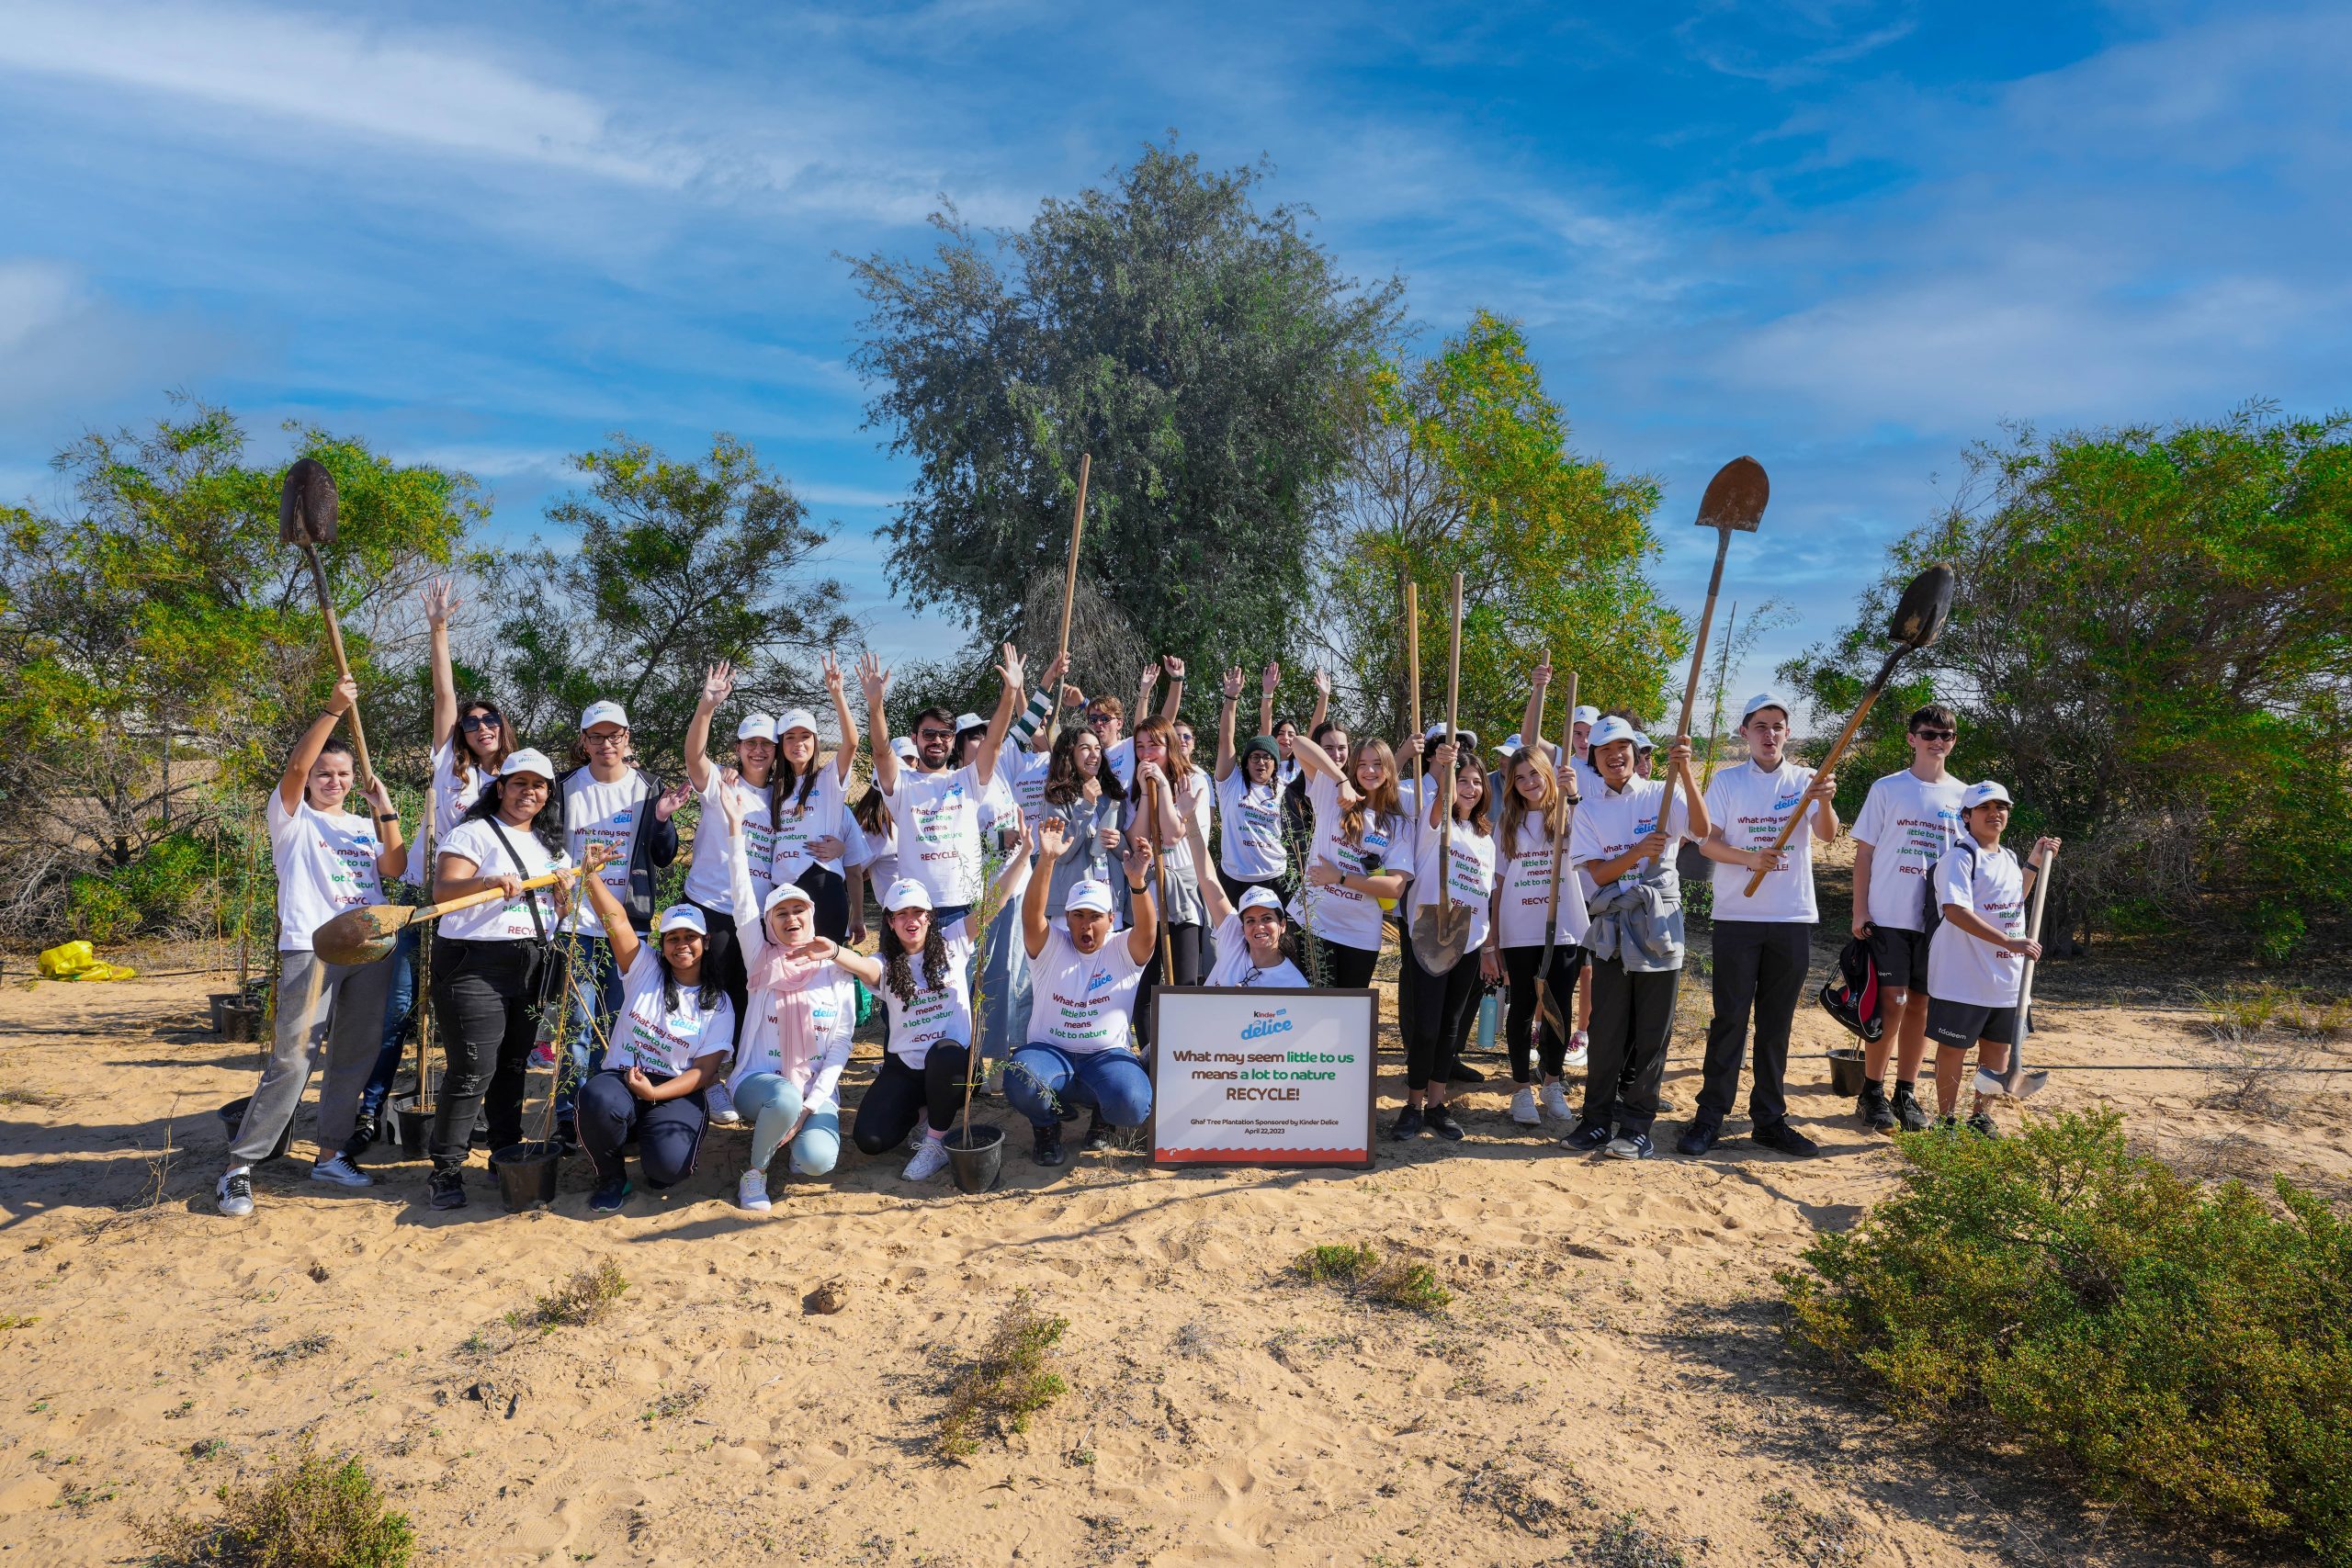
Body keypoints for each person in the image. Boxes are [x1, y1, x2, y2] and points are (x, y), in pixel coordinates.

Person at [216, 678, 406, 1216]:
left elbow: (393, 869)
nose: (334, 781)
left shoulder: (362, 827)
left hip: (370, 947)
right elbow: (295, 772)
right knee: (294, 1059)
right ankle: (240, 1166)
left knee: (355, 1055)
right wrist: (333, 710)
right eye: (327, 773)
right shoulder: (292, 819)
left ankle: (329, 1153)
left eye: (343, 775)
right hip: (312, 948)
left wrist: (384, 808)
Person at [355, 577, 503, 1153]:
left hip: (477, 908)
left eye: (490, 721)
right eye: (473, 722)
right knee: (395, 1010)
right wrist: (439, 630)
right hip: (422, 901)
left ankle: (480, 1118)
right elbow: (444, 697)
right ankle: (371, 1111)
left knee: (469, 1022)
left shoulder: (516, 778)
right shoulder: (451, 765)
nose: (480, 728)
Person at [1682, 693, 1839, 1160]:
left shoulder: (1807, 781)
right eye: (1760, 726)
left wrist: (1825, 801)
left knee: (1776, 1024)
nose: (1769, 735)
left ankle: (1769, 1120)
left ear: (1787, 733)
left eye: (1778, 727)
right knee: (1729, 1019)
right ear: (1745, 732)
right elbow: (1707, 844)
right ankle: (1710, 1115)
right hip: (1737, 917)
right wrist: (1750, 858)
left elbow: (1828, 834)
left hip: (1791, 917)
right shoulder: (1728, 782)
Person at [424, 750, 580, 1211]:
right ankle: (446, 1169)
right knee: (473, 1069)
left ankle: (504, 1151)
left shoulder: (553, 847)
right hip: (474, 964)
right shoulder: (472, 834)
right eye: (518, 784)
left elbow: (560, 914)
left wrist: (563, 895)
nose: (527, 793)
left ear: (548, 793)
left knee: (514, 1066)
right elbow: (442, 891)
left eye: (537, 785)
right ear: (500, 787)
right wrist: (487, 882)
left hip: (530, 963)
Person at [715, 784, 877, 1210]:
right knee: (782, 1098)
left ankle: (793, 1130)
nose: (791, 919)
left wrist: (811, 1106)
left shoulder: (835, 966)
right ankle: (756, 1173)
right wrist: (736, 829)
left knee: (816, 1159)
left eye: (798, 911)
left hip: (815, 1085)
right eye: (780, 913)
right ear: (769, 922)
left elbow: (842, 1047)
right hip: (759, 1080)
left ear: (812, 916)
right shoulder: (760, 957)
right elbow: (740, 894)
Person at [1561, 716, 1709, 1161]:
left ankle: (1638, 1126)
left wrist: (1685, 771)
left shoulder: (1663, 793)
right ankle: (1595, 1120)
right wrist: (1636, 853)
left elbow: (1702, 831)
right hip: (1611, 928)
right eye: (1605, 750)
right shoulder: (1587, 808)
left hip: (1659, 926)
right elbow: (1599, 873)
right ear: (1595, 759)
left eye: (1622, 747)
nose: (1614, 756)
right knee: (1606, 1031)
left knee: (1652, 1033)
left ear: (1636, 752)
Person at [850, 844, 1033, 1181]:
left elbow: (995, 903)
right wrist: (831, 950)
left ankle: (935, 1143)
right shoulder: (885, 963)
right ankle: (927, 1115)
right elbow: (861, 965)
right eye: (901, 914)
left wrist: (1024, 857)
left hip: (955, 1066)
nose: (911, 920)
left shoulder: (953, 942)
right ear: (889, 921)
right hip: (906, 1069)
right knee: (871, 1139)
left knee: (945, 1053)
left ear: (929, 916)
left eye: (918, 912)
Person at [556, 701, 685, 1143]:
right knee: (576, 1024)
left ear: (627, 738)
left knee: (622, 1023)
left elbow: (664, 856)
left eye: (615, 736)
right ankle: (570, 1118)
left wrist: (664, 819)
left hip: (629, 927)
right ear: (584, 741)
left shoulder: (649, 789)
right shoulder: (564, 787)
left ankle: (615, 1113)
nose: (606, 744)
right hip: (576, 924)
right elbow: (551, 849)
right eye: (596, 736)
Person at [571, 877, 734, 1214]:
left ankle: (650, 1136)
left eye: (690, 937)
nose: (681, 945)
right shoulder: (643, 967)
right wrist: (589, 875)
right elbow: (615, 919)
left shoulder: (718, 1003)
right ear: (662, 944)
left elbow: (704, 1071)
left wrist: (655, 1095)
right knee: (595, 1097)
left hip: (674, 1086)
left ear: (705, 940)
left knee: (667, 1171)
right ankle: (612, 1177)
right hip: (624, 1076)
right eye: (673, 938)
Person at [1006, 819, 1160, 1166]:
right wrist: (1046, 860)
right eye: (1077, 916)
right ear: (1067, 916)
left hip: (1104, 1057)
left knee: (1133, 1102)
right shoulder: (1051, 946)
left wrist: (1137, 883)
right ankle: (1046, 1127)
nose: (1085, 925)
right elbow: (1031, 916)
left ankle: (1103, 1120)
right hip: (1050, 1053)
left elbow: (1148, 933)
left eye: (1094, 917)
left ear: (1111, 918)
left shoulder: (1122, 949)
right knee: (1021, 1078)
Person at [1848, 705, 1967, 1133]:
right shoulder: (1888, 788)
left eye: (1947, 735)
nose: (1939, 741)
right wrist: (1860, 910)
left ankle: (1906, 1092)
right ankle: (1871, 1091)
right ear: (1911, 738)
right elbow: (1864, 852)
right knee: (1892, 1002)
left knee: (1920, 1004)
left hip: (1938, 920)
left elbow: (1970, 861)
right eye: (1930, 733)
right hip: (1888, 913)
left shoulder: (1964, 796)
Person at [1924, 784, 2059, 1136]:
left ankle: (1979, 1118)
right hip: (1962, 975)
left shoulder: (2010, 857)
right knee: (1953, 1049)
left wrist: (2035, 861)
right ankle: (1946, 1121)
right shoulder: (1958, 858)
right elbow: (1955, 911)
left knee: (1997, 1051)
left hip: (2008, 977)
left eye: (2001, 807)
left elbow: (2016, 896)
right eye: (1984, 808)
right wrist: (2009, 942)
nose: (1994, 813)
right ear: (1966, 816)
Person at [862, 645, 1019, 926]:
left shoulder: (968, 779)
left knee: (963, 973)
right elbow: (881, 752)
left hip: (965, 906)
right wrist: (875, 708)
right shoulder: (902, 784)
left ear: (953, 739)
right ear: (915, 738)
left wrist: (1010, 693)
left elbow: (993, 742)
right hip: (914, 907)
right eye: (929, 734)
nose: (936, 740)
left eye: (945, 735)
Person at [1394, 739, 1498, 1142]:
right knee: (1426, 1026)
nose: (1469, 788)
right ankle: (1413, 1104)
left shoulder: (1486, 839)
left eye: (1475, 782)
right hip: (1430, 930)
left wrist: (1488, 947)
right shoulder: (1434, 822)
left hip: (1468, 938)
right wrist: (1446, 771)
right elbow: (1441, 802)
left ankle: (1437, 1104)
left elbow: (1486, 896)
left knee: (1451, 1026)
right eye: (1462, 782)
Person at [679, 661, 778, 1066]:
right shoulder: (720, 781)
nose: (758, 750)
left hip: (754, 917)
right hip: (712, 907)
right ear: (737, 748)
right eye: (749, 743)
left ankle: (734, 1075)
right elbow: (693, 755)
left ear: (776, 751)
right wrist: (707, 705)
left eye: (766, 745)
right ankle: (702, 1078)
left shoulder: (784, 798)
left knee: (744, 994)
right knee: (708, 994)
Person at [1486, 743, 1589, 1130]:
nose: (1529, 782)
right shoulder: (1506, 824)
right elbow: (1496, 887)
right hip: (1519, 929)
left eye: (1535, 774)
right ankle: (1520, 1087)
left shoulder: (1567, 816)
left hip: (1563, 928)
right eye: (1520, 776)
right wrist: (1492, 942)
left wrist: (1572, 795)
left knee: (1557, 1008)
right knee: (1524, 1007)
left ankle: (1552, 1083)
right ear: (1512, 783)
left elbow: (1588, 837)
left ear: (1549, 774)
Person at [1284, 725, 1412, 990]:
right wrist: (1341, 781)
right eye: (1362, 764)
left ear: (1389, 769)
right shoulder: (1331, 795)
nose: (1369, 771)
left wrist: (1340, 877)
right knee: (1307, 1010)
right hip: (1314, 925)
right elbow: (1297, 743)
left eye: (1377, 764)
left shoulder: (1398, 824)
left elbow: (1395, 887)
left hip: (1360, 935)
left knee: (1346, 1017)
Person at [765, 654, 863, 941]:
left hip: (823, 882)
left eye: (805, 736)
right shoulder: (773, 788)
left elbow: (852, 743)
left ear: (815, 741)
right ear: (781, 744)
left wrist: (838, 694)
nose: (798, 743)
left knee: (828, 969)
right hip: (783, 887)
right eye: (790, 737)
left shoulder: (829, 779)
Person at [1125, 715, 1208, 1050]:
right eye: (1140, 747)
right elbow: (1136, 838)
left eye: (1154, 746)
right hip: (1148, 890)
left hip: (1183, 889)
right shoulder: (1135, 787)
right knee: (1143, 986)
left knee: (1184, 982)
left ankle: (1183, 1056)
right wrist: (1147, 793)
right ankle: (1150, 1059)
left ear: (1169, 746)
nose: (1147, 754)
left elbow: (1174, 835)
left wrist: (1161, 785)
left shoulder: (1193, 780)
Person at [1178, 802, 1307, 987]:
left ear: (1282, 925)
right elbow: (1207, 878)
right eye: (1250, 921)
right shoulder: (1233, 933)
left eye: (1266, 918)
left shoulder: (1295, 984)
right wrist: (1190, 819)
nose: (1259, 926)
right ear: (1242, 926)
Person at [1213, 665, 1289, 905]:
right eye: (1254, 757)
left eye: (1267, 758)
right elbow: (1226, 741)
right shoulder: (1230, 783)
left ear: (1276, 765)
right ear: (1245, 763)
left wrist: (1268, 695)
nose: (1261, 762)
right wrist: (1231, 698)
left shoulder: (1285, 790)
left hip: (1275, 878)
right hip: (1234, 880)